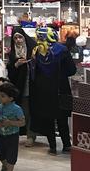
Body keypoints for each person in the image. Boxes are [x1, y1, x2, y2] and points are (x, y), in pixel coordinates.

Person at [31, 26, 76, 155]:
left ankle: (52, 147)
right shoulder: (62, 50)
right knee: (62, 119)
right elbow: (72, 70)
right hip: (61, 88)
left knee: (48, 119)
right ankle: (66, 145)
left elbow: (34, 73)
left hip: (43, 90)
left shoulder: (36, 50)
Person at [7, 28, 37, 147]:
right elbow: (10, 71)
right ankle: (19, 134)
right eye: (15, 38)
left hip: (33, 85)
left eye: (20, 37)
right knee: (23, 111)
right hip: (20, 86)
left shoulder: (33, 48)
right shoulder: (13, 53)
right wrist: (16, 65)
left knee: (32, 112)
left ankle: (31, 135)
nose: (18, 40)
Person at [0, 82, 25, 171]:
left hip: (12, 135)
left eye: (3, 96)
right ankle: (5, 166)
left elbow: (22, 122)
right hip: (0, 134)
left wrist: (10, 122)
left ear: (11, 98)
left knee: (11, 155)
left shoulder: (17, 109)